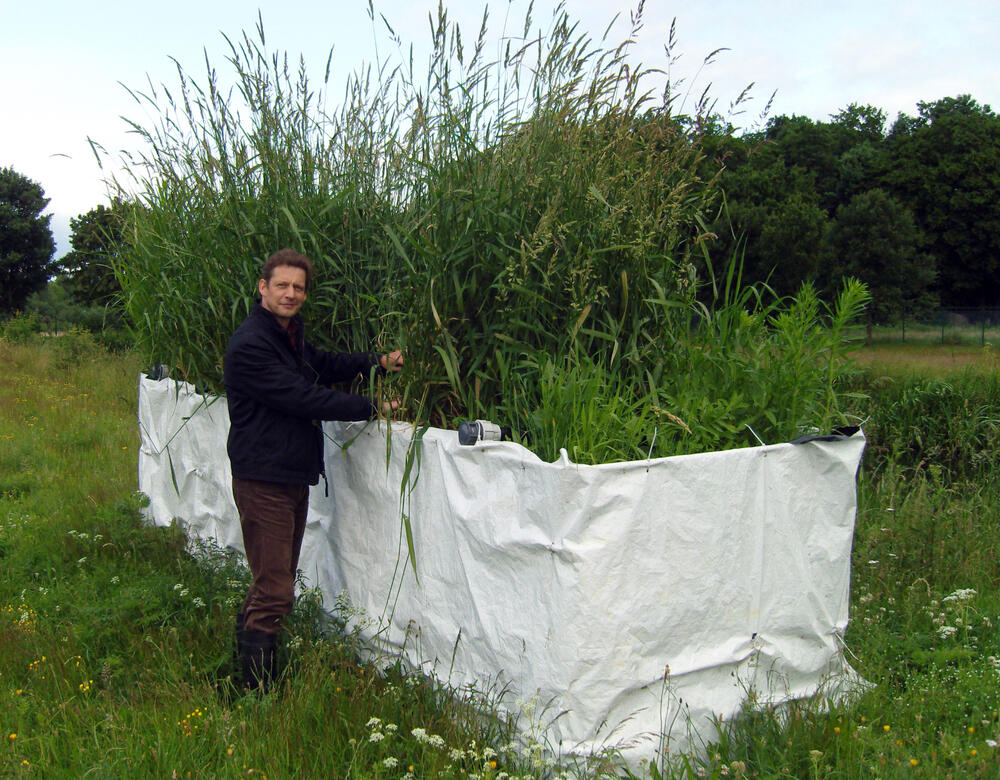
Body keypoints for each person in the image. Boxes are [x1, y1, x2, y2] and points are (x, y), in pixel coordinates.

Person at [223, 248, 402, 692]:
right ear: (262, 287)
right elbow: (302, 396)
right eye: (281, 285)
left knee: (271, 579)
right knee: (276, 591)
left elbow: (319, 364)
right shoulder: (250, 345)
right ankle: (256, 692)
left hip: (288, 474)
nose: (290, 294)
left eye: (298, 287)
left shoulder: (288, 334)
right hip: (263, 478)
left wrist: (373, 363)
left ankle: (245, 675)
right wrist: (371, 407)